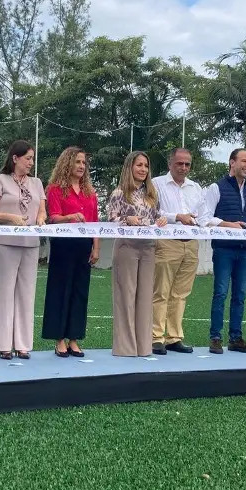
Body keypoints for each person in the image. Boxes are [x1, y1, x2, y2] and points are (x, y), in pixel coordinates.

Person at [0, 140, 47, 360]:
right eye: (28, 158)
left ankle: (22, 345)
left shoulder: (37, 183)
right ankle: (3, 345)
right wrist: (11, 218)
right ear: (15, 158)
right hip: (4, 243)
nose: (31, 162)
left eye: (32, 159)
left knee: (26, 295)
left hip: (30, 245)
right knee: (4, 294)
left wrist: (40, 218)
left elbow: (42, 211)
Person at [150, 148, 211, 356]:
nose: (183, 168)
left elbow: (204, 216)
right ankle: (155, 337)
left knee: (181, 294)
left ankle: (174, 337)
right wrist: (178, 216)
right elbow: (152, 212)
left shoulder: (196, 187)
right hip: (167, 242)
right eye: (179, 163)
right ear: (170, 164)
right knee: (161, 291)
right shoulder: (157, 183)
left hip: (191, 244)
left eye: (187, 164)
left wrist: (221, 226)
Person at [108, 151, 168, 357]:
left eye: (145, 166)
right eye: (139, 165)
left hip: (148, 247)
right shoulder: (119, 193)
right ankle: (125, 348)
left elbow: (157, 216)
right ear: (130, 167)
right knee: (126, 296)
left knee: (144, 298)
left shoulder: (151, 194)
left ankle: (143, 347)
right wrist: (126, 219)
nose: (143, 169)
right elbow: (111, 219)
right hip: (127, 247)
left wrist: (161, 221)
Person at [42, 147, 99, 358]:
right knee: (60, 291)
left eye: (84, 163)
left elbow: (94, 223)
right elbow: (53, 217)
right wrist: (70, 217)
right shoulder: (55, 189)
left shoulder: (90, 193)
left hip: (83, 247)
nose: (81, 166)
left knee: (79, 292)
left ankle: (74, 338)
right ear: (67, 163)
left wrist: (96, 247)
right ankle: (59, 339)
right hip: (63, 246)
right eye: (77, 162)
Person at [203, 149, 246, 354]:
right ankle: (215, 337)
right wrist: (228, 224)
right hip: (224, 249)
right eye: (244, 161)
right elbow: (205, 217)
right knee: (221, 293)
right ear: (232, 163)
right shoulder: (216, 187)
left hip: (245, 251)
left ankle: (236, 338)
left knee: (240, 295)